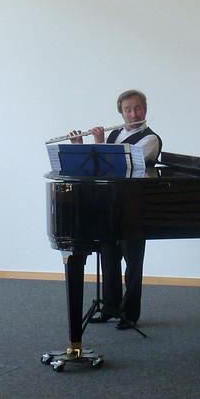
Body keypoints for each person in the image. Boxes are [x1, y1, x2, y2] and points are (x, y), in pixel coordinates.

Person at [69, 89, 162, 329]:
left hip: (135, 207)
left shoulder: (150, 139)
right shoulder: (115, 134)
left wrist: (99, 144)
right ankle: (110, 308)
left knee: (133, 262)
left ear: (145, 109)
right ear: (121, 112)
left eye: (137, 108)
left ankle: (129, 314)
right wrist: (80, 147)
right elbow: (95, 169)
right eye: (128, 109)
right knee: (109, 258)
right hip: (109, 206)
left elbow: (124, 166)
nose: (133, 114)